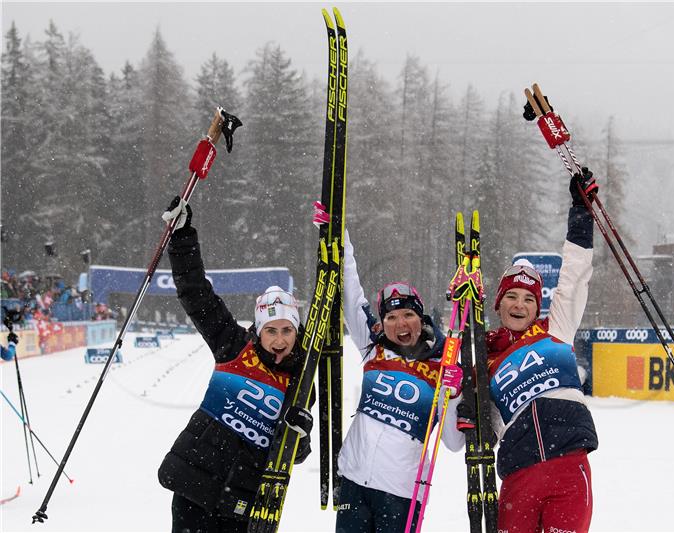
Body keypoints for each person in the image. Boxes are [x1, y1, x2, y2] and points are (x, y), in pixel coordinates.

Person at [157, 197, 314, 533]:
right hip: (194, 483)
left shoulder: (302, 380)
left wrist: (302, 433)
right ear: (258, 330)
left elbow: (294, 454)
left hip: (241, 501)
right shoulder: (233, 345)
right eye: (271, 330)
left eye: (287, 330)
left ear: (296, 331)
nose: (279, 339)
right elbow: (197, 295)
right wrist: (182, 236)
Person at [314, 204, 464, 533]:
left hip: (401, 492)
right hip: (354, 481)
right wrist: (340, 236)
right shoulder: (374, 346)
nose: (400, 323)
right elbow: (351, 294)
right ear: (383, 323)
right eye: (391, 317)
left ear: (420, 318)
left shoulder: (442, 363)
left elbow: (454, 443)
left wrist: (454, 395)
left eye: (408, 315)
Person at [473, 168, 599, 533]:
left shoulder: (556, 328)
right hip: (519, 477)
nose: (519, 304)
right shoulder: (485, 356)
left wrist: (581, 212)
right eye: (511, 296)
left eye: (529, 298)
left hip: (568, 472)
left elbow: (574, 276)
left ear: (536, 305)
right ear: (498, 304)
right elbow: (481, 429)